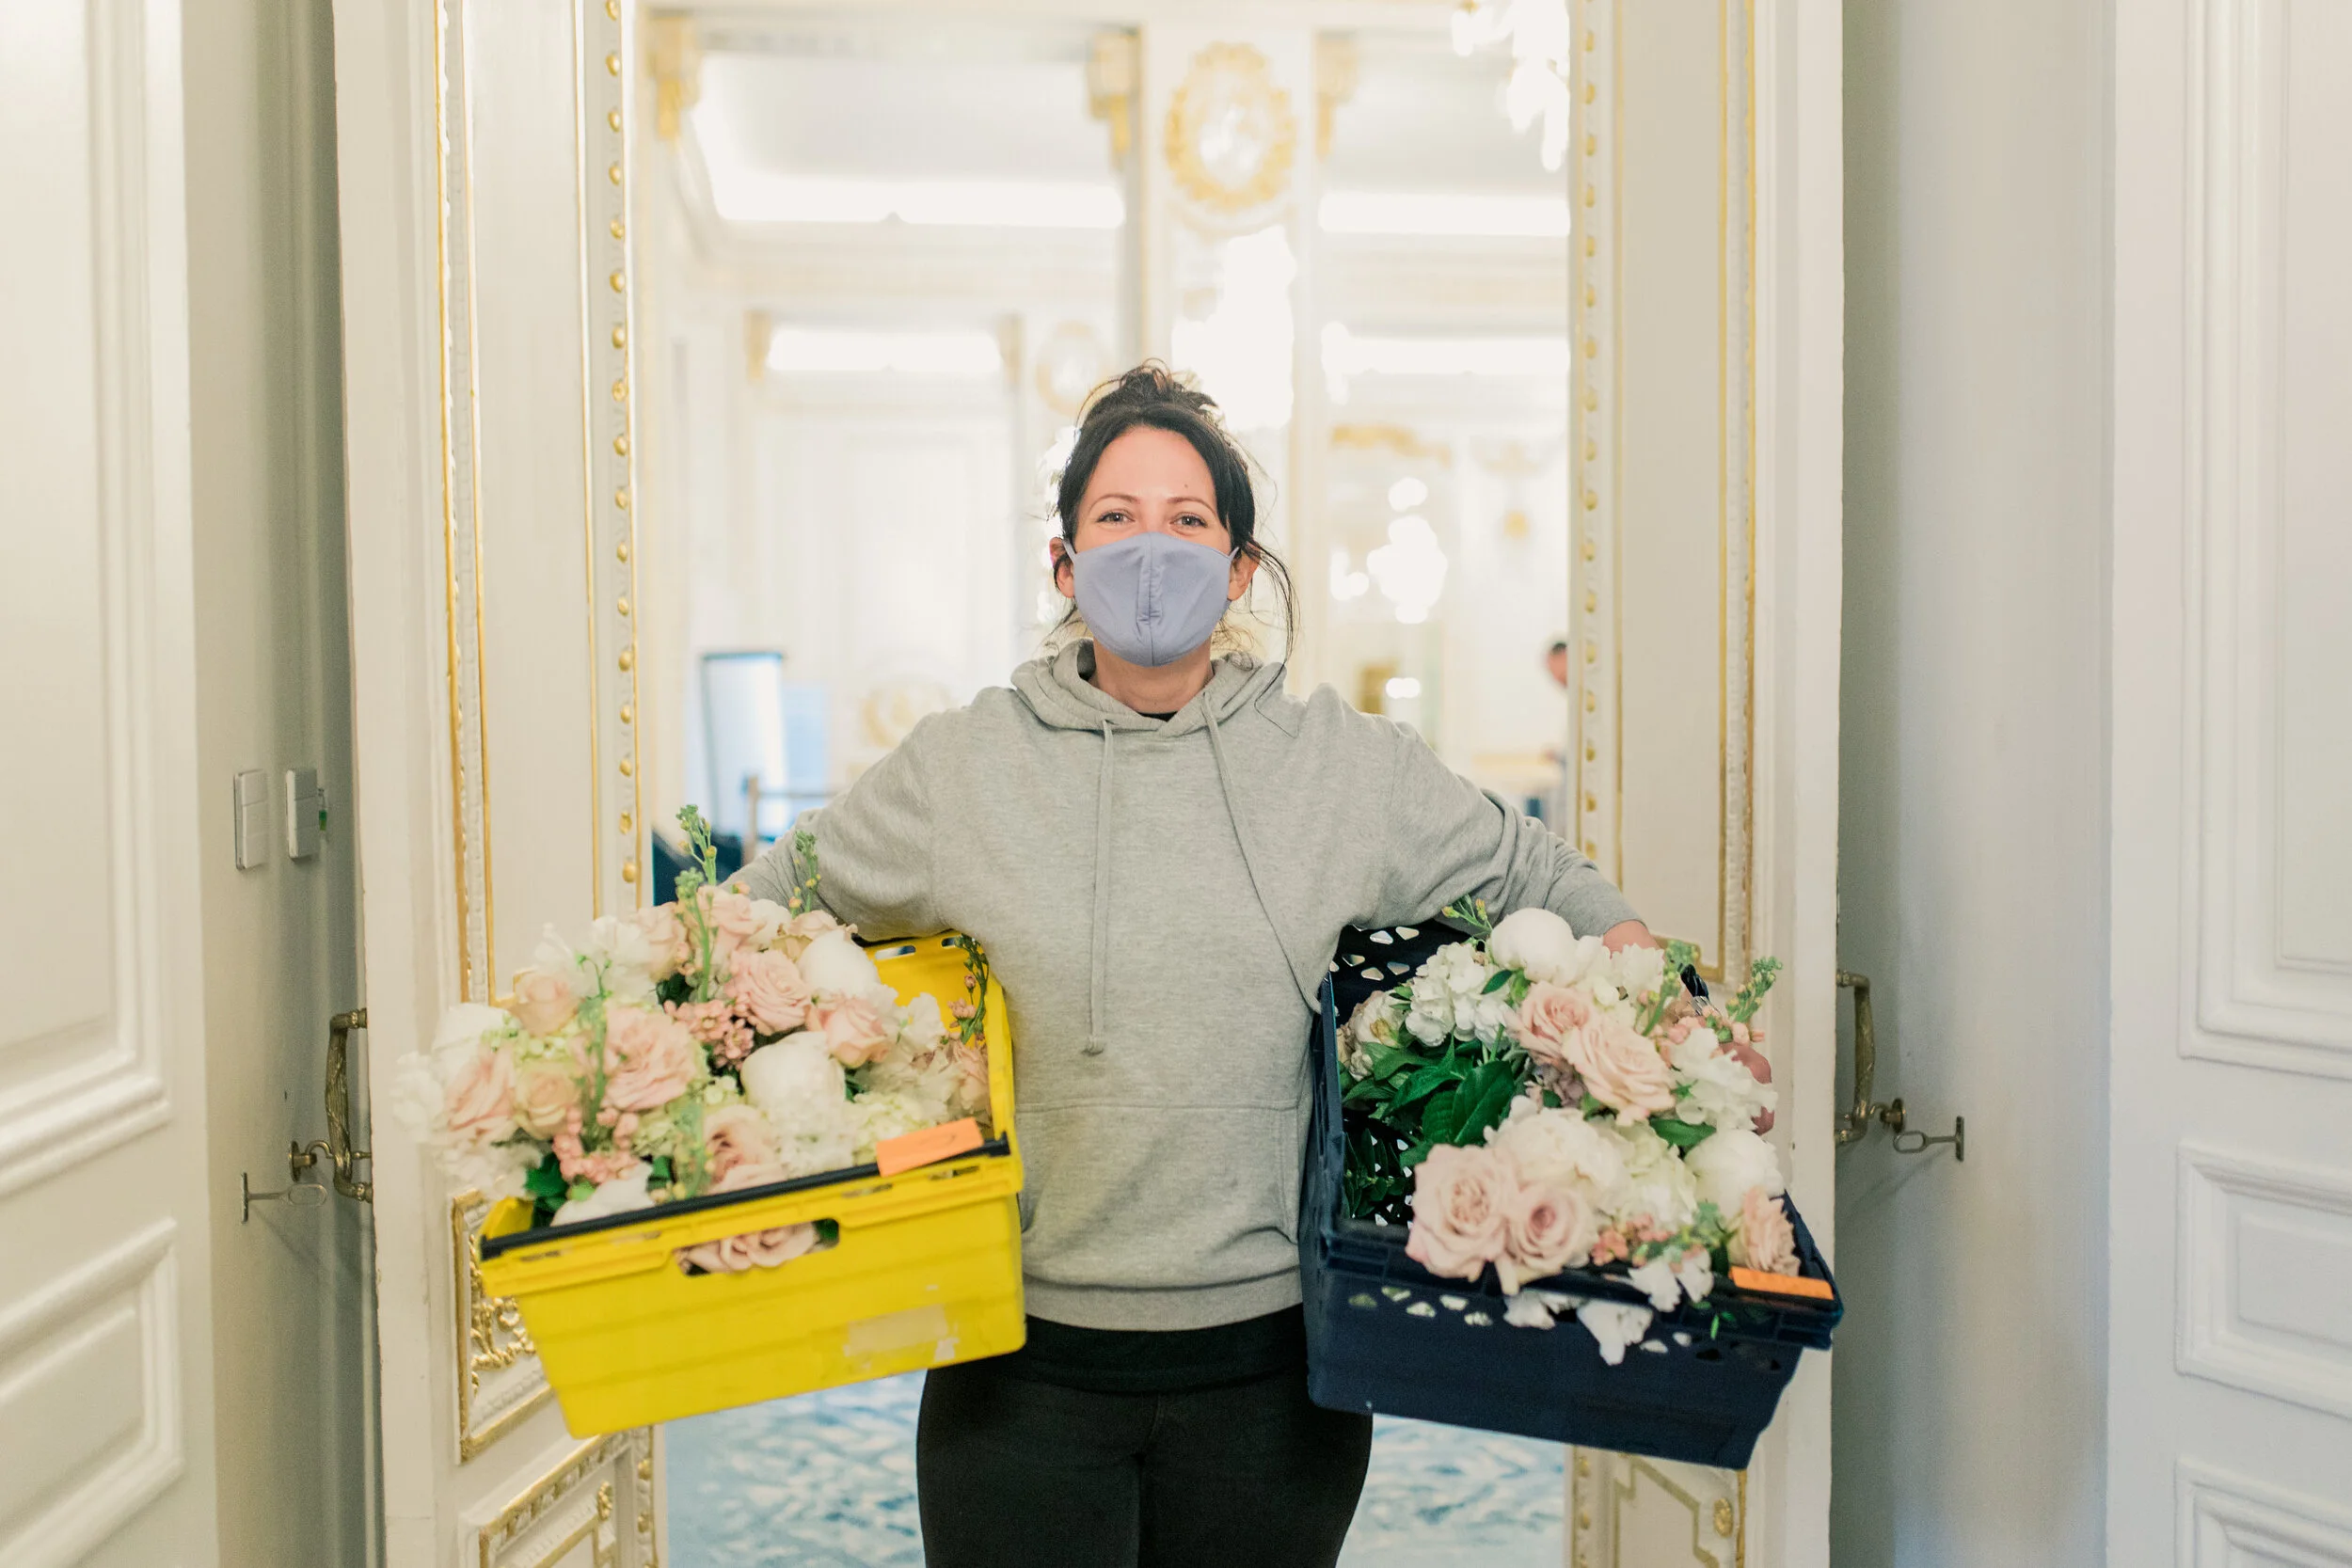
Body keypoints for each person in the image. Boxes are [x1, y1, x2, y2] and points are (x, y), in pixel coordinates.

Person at [739, 364, 1765, 1568]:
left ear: (1236, 570)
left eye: (1188, 520)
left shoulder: (1339, 764)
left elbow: (1532, 870)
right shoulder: (957, 771)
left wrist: (1670, 1009)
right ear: (1063, 564)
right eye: (1116, 516)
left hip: (1274, 1381)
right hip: (1016, 1373)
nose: (1151, 549)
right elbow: (764, 905)